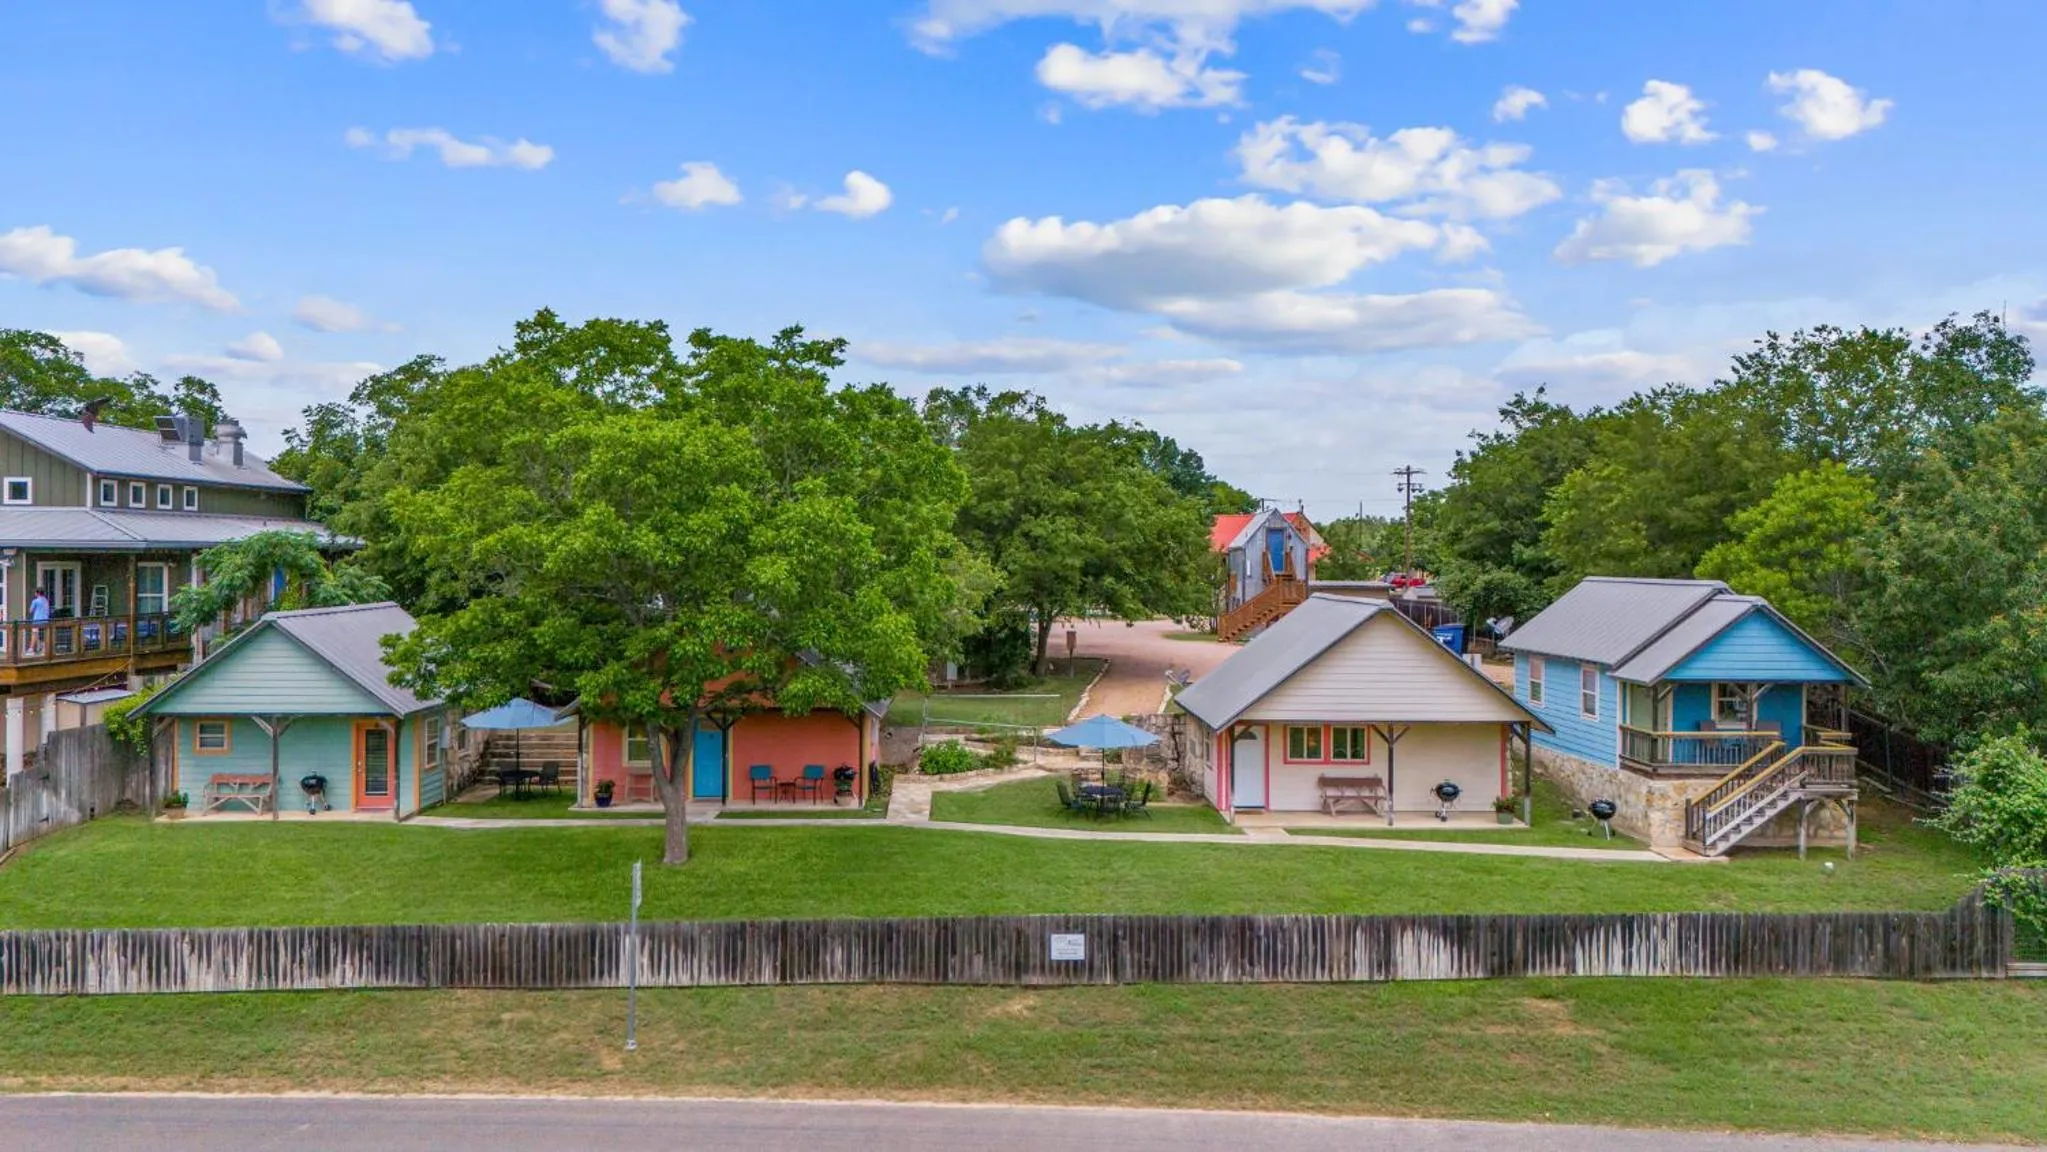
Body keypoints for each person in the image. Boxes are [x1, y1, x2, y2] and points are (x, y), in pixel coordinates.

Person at [27, 587, 50, 657]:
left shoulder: (35, 601)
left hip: (37, 620)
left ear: (37, 593)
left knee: (34, 634)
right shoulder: (46, 601)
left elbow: (30, 610)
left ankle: (31, 649)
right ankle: (44, 650)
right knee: (42, 636)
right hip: (45, 620)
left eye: (35, 593)